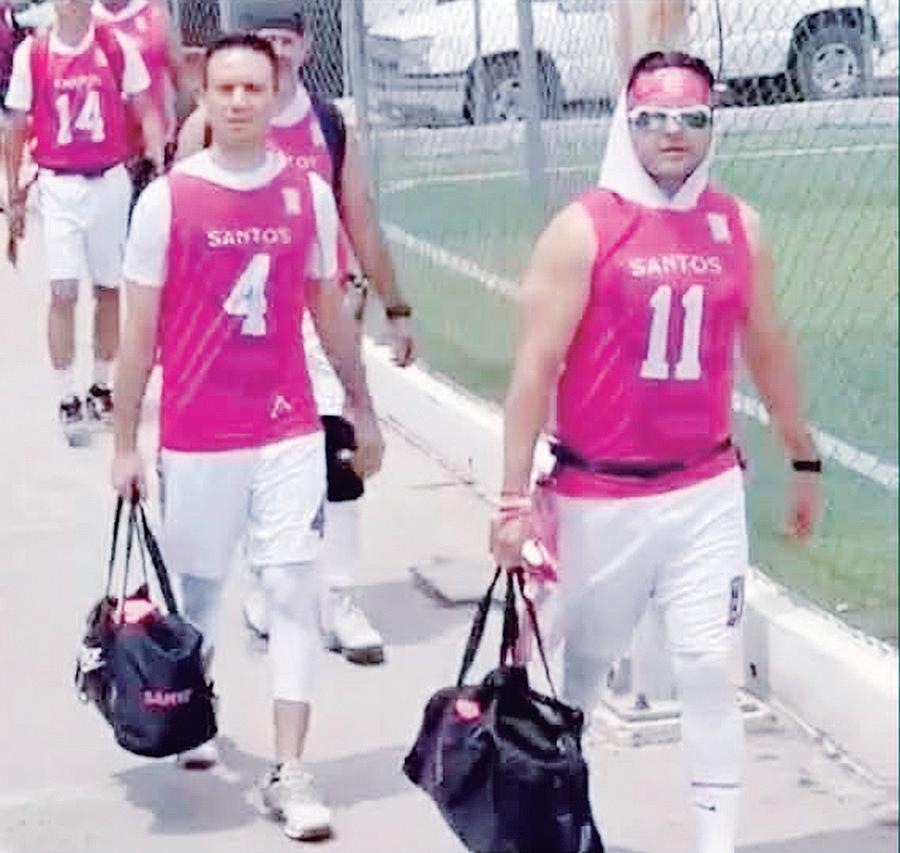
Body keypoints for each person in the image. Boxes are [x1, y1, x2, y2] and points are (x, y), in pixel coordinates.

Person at [490, 51, 823, 853]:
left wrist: (801, 452)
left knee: (708, 665)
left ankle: (717, 840)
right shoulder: (583, 228)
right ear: (626, 122)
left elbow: (767, 341)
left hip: (705, 486)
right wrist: (511, 499)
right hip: (601, 494)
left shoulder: (736, 225)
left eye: (691, 117)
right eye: (653, 118)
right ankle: (561, 826)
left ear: (712, 124)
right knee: (577, 676)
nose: (673, 133)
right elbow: (533, 370)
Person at [111, 33, 384, 841]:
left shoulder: (307, 193)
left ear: (274, 97)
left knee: (294, 589)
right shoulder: (167, 200)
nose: (238, 102)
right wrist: (125, 442)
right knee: (198, 593)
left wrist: (360, 403)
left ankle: (290, 770)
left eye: (252, 89)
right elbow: (138, 331)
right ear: (203, 94)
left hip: (287, 428)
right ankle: (193, 707)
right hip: (198, 434)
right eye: (224, 88)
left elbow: (327, 306)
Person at [177, 3, 415, 665]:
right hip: (239, 319)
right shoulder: (207, 125)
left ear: (306, 46)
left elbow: (359, 216)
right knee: (258, 458)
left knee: (338, 447)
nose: (277, 52)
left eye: (286, 39)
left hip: (319, 309)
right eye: (265, 40)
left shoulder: (329, 125)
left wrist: (396, 307)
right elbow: (180, 229)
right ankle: (265, 583)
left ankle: (339, 597)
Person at [4, 0, 163, 442]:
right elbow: (16, 125)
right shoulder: (35, 53)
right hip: (59, 182)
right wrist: (14, 191)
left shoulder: (114, 45)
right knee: (63, 289)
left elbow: (144, 103)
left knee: (108, 287)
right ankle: (65, 393)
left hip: (108, 178)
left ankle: (100, 384)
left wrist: (156, 154)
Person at [92, 0, 183, 207]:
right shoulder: (82, 17)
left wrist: (172, 116)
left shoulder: (154, 12)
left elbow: (175, 68)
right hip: (103, 148)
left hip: (153, 139)